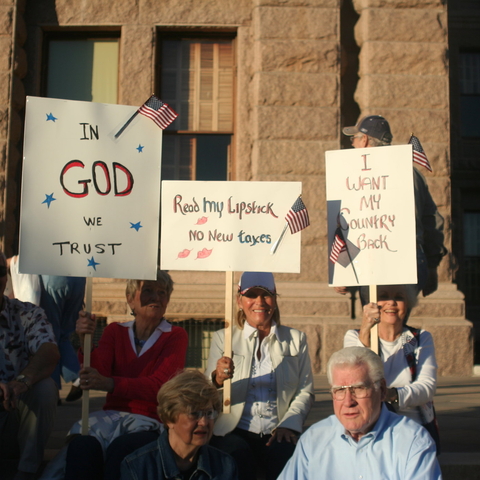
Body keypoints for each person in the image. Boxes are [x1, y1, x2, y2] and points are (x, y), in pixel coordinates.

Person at [40, 270, 188, 480]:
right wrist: (85, 340)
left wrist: (110, 384)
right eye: (148, 291)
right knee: (81, 446)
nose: (156, 297)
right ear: (130, 299)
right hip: (110, 417)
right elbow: (98, 373)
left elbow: (161, 387)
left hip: (152, 420)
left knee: (121, 449)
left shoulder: (175, 336)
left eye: (162, 292)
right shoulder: (114, 331)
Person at [205, 272, 314, 480]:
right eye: (251, 295)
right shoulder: (224, 339)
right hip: (234, 430)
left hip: (279, 429)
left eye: (265, 295)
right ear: (239, 301)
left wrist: (289, 424)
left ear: (274, 299)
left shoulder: (295, 339)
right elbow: (205, 390)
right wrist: (217, 380)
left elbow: (305, 391)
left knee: (288, 459)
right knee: (234, 457)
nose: (259, 302)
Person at [278, 346, 442, 480]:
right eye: (339, 391)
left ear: (382, 390)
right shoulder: (314, 440)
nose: (348, 402)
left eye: (358, 389)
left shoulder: (412, 441)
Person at [339, 115, 447, 297]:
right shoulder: (412, 173)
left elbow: (352, 224)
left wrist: (342, 270)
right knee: (394, 321)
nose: (352, 144)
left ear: (364, 140)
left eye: (354, 139)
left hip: (375, 259)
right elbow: (432, 221)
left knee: (381, 321)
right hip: (412, 259)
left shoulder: (357, 178)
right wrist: (432, 266)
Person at [344, 284, 439, 450]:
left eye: (399, 297)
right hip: (368, 429)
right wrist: (366, 328)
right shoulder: (354, 337)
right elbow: (355, 379)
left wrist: (392, 395)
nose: (392, 302)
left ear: (408, 303)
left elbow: (427, 388)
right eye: (384, 296)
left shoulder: (420, 338)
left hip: (412, 428)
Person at [0, 251, 60, 480]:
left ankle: (26, 472)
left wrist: (20, 383)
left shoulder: (27, 313)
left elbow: (49, 351)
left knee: (46, 388)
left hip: (14, 415)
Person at [120, 369, 238, 480]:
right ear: (169, 419)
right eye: (194, 414)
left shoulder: (225, 466)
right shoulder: (139, 467)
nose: (204, 422)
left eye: (209, 413)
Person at [39, 275, 86, 400]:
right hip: (78, 279)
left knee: (50, 335)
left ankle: (53, 389)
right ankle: (77, 377)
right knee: (64, 335)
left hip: (52, 277)